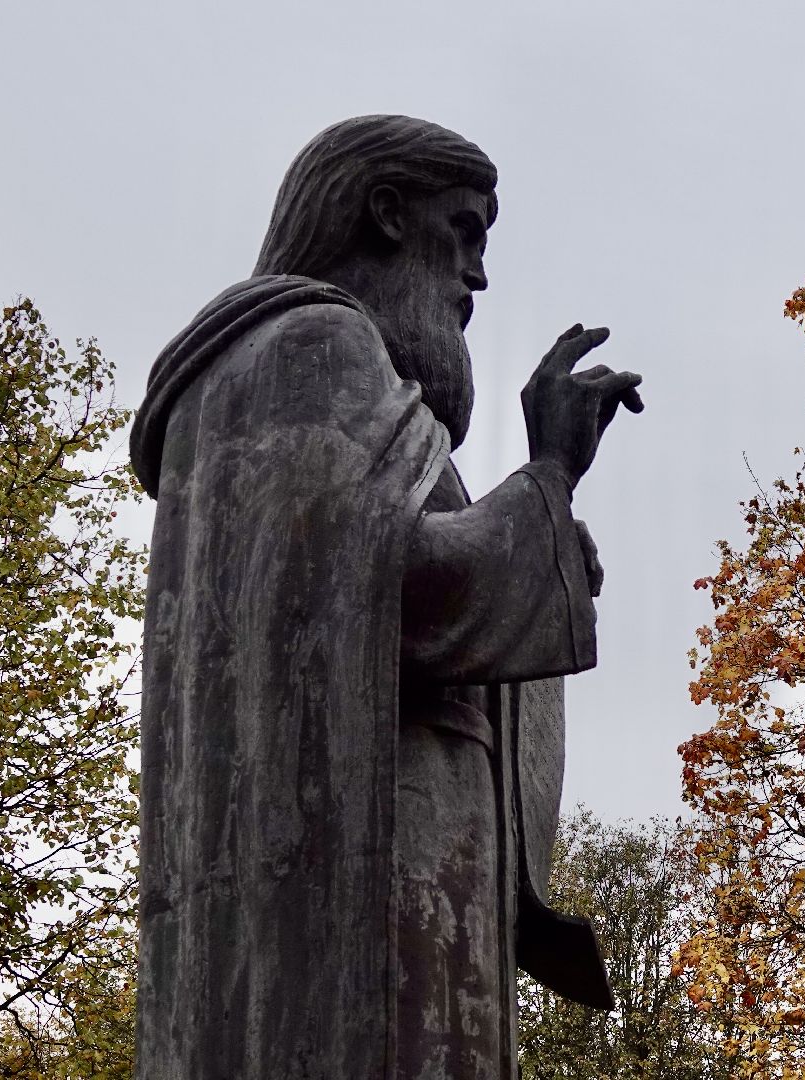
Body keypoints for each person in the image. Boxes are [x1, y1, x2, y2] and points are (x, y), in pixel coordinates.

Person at [129, 114, 641, 1079]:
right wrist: (547, 479)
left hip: (400, 865)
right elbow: (407, 595)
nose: (478, 279)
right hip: (372, 879)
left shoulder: (284, 378)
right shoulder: (309, 347)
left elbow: (355, 584)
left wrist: (537, 537)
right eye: (466, 232)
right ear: (386, 213)